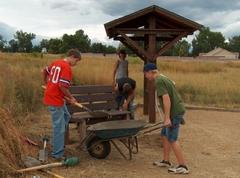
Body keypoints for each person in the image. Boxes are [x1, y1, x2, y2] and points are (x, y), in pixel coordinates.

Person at [143, 63, 189, 174]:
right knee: (164, 134)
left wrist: (167, 117)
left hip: (174, 113)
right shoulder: (163, 77)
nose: (145, 76)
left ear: (150, 72)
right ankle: (166, 161)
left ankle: (183, 166)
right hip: (175, 111)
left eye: (145, 74)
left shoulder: (158, 80)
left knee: (172, 138)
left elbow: (166, 99)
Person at [42, 49, 81, 160]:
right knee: (59, 128)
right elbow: (62, 86)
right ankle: (57, 154)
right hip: (55, 100)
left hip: (58, 98)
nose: (76, 64)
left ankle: (57, 144)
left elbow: (43, 71)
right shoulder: (66, 67)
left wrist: (46, 82)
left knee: (66, 116)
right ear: (72, 56)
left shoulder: (56, 63)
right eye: (76, 61)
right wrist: (71, 98)